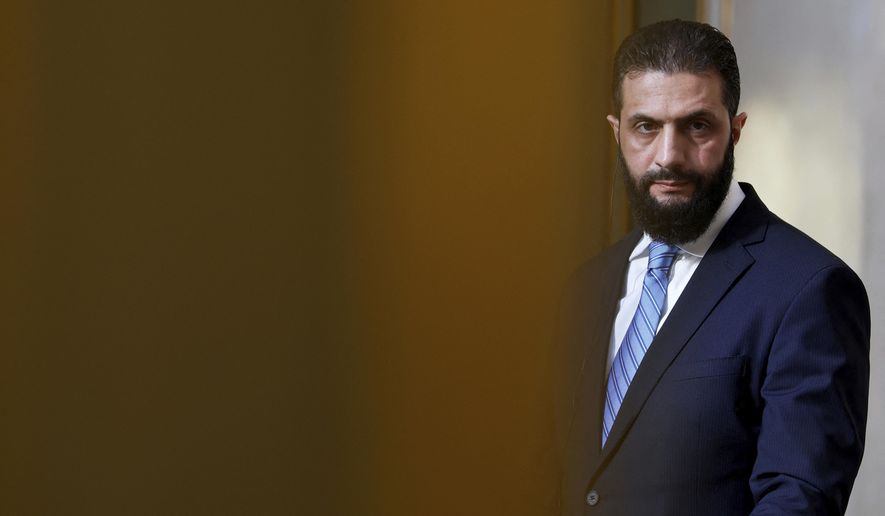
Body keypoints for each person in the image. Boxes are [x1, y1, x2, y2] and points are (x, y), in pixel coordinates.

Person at [554, 19, 870, 516]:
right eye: (646, 127)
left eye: (696, 125)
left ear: (736, 130)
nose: (669, 156)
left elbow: (798, 501)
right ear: (616, 133)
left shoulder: (809, 289)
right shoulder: (583, 289)